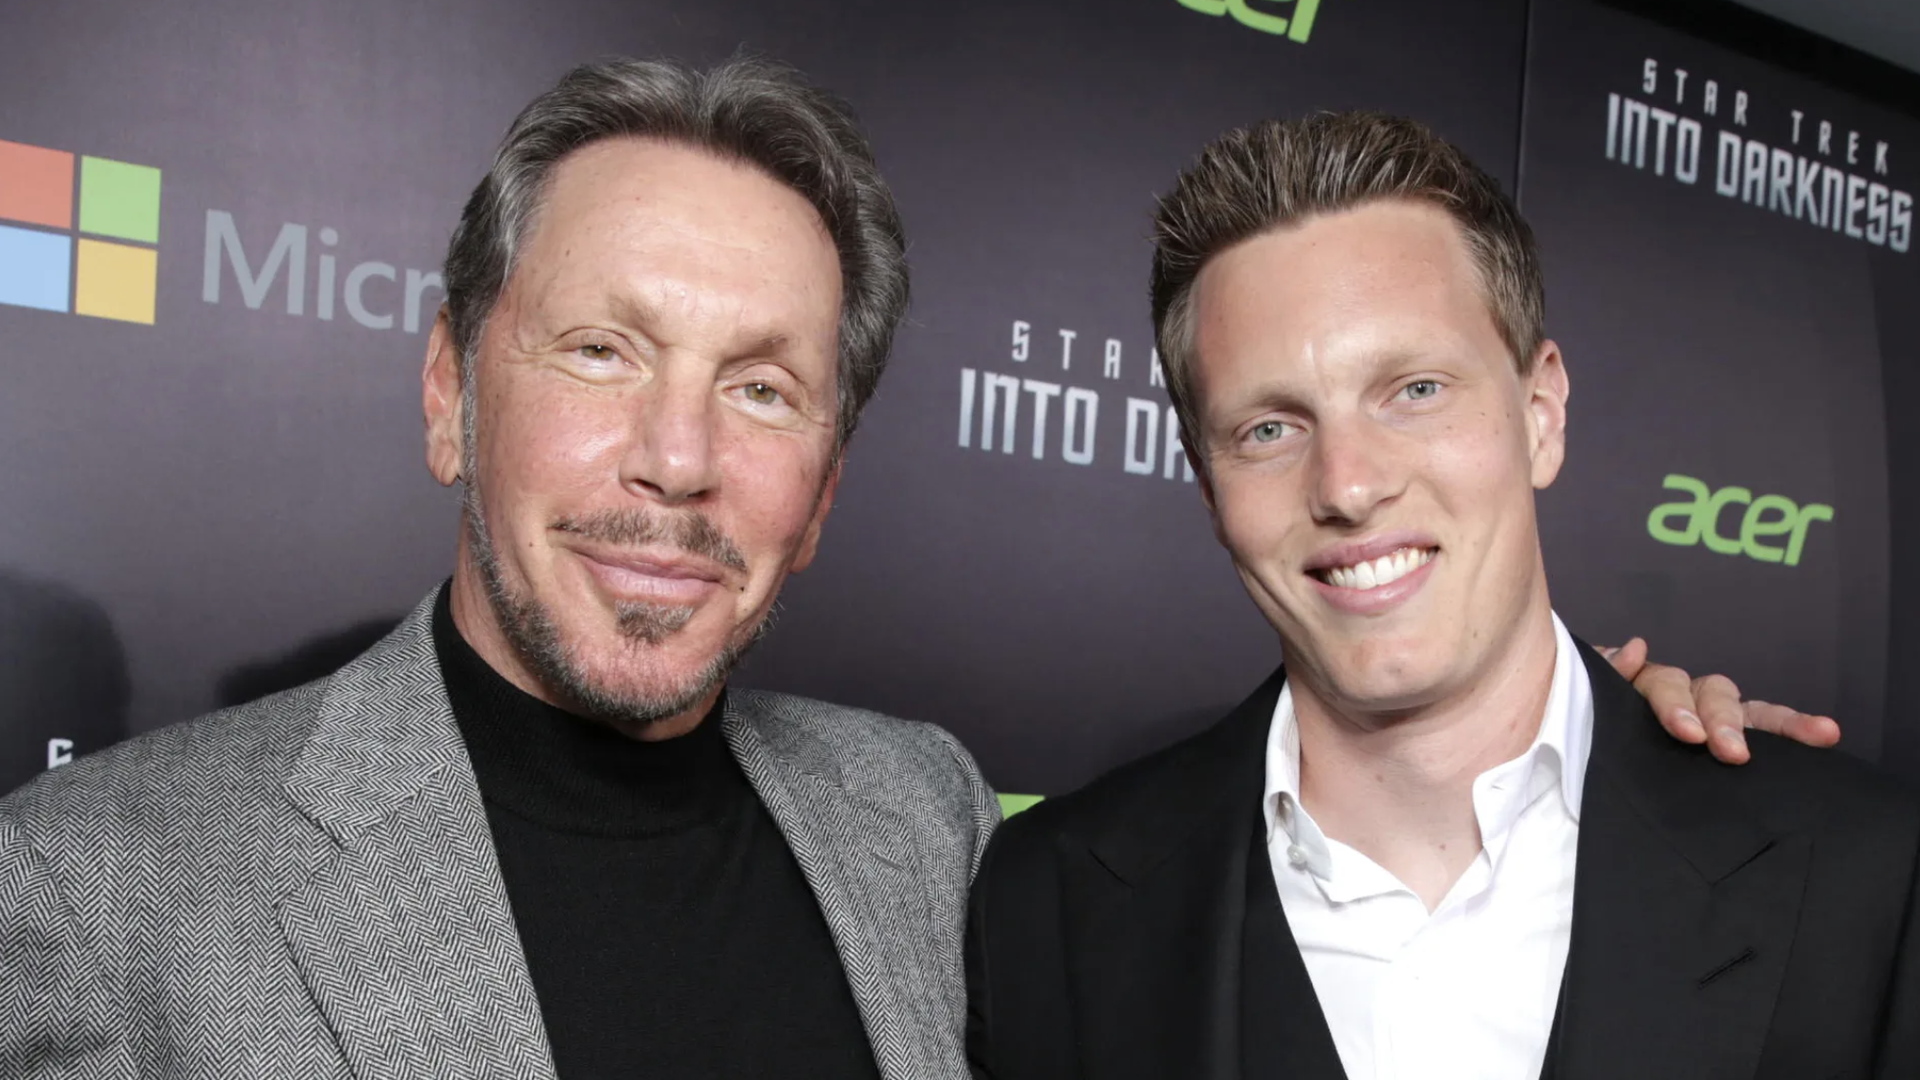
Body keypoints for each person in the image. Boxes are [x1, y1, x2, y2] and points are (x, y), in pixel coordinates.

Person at [0, 60, 1831, 1080]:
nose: (679, 457)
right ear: (445, 394)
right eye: (602, 352)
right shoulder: (106, 895)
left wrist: (1630, 759)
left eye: (765, 386)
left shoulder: (932, 829)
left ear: (831, 471)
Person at [964, 111, 1917, 1080]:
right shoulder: (1046, 908)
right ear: (1212, 493)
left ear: (1540, 415)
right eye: (1268, 429)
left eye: (1414, 390)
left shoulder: (1862, 878)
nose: (1347, 485)